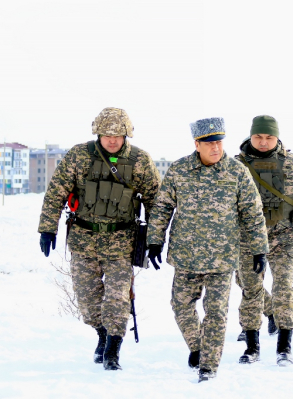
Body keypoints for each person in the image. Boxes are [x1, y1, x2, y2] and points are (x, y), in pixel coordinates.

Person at [146, 117, 268, 382]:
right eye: (210, 143)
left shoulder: (236, 172)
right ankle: (198, 347)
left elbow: (252, 212)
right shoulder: (179, 170)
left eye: (219, 142)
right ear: (197, 144)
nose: (216, 148)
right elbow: (163, 206)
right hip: (186, 255)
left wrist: (259, 248)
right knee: (180, 306)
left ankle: (208, 366)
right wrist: (155, 240)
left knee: (216, 313)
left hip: (222, 258)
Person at [38, 107, 161, 370]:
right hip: (84, 240)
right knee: (87, 300)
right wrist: (48, 228)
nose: (113, 140)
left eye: (118, 135)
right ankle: (102, 335)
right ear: (98, 133)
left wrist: (154, 239)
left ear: (127, 134)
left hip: (121, 242)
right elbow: (56, 191)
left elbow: (156, 202)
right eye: (107, 135)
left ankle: (113, 349)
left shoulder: (140, 160)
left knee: (117, 299)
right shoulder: (79, 155)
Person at [235, 115, 293, 367]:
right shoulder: (235, 166)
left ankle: (284, 345)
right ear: (251, 136)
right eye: (258, 137)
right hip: (248, 240)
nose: (263, 142)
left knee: (284, 289)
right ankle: (252, 346)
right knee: (250, 290)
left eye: (269, 137)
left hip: (283, 236)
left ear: (277, 137)